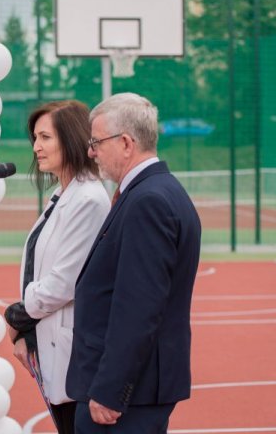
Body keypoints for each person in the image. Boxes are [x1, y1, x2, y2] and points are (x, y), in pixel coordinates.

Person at [66, 93, 202, 433]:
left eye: (96, 142)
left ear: (126, 143)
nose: (91, 151)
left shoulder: (149, 201)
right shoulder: (153, 192)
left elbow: (138, 306)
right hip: (132, 391)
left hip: (125, 397)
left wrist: (112, 390)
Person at [4, 100, 110, 433]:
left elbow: (63, 282)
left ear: (72, 138)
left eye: (46, 137)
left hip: (73, 352)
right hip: (48, 340)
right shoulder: (62, 196)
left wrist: (19, 315)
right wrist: (27, 328)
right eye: (35, 138)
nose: (36, 147)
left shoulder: (89, 200)